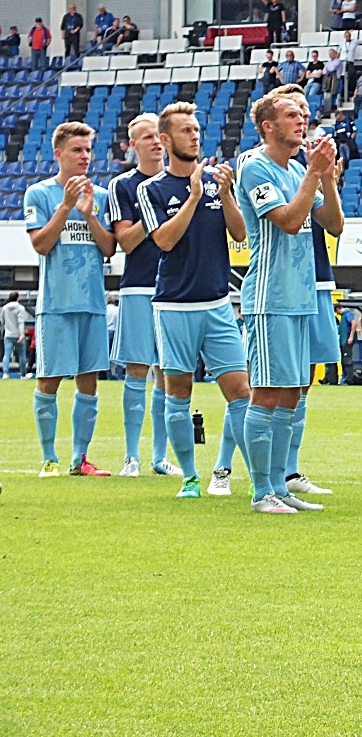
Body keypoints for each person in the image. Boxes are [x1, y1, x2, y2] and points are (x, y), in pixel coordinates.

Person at [137, 103, 254, 502]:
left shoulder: (216, 181)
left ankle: (229, 470)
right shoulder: (151, 189)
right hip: (174, 307)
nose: (195, 136)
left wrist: (225, 194)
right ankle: (189, 476)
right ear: (166, 140)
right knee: (178, 394)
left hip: (218, 303)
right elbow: (164, 241)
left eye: (197, 129)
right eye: (186, 130)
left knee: (241, 392)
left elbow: (239, 235)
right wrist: (193, 199)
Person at [233, 92, 340, 514]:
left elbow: (332, 224)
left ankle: (280, 484)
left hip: (300, 295)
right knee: (267, 393)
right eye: (292, 115)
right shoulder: (254, 166)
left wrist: (326, 177)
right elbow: (291, 222)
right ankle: (261, 492)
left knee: (294, 392)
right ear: (268, 127)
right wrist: (314, 174)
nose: (302, 121)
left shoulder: (298, 168)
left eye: (304, 115)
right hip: (269, 296)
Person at [24, 122, 116, 477]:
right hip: (56, 304)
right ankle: (49, 458)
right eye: (77, 150)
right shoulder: (39, 194)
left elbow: (109, 248)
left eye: (89, 150)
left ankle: (81, 459)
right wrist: (65, 207)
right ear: (58, 154)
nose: (85, 157)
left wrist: (89, 214)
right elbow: (41, 245)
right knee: (49, 379)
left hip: (93, 303)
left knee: (89, 382)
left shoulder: (102, 196)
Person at [108, 114, 176, 478]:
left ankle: (160, 456)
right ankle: (131, 456)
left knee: (169, 372)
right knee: (137, 368)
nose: (154, 142)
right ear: (133, 145)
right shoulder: (123, 185)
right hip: (138, 285)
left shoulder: (180, 180)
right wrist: (154, 213)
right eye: (146, 137)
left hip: (176, 286)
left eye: (157, 136)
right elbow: (125, 241)